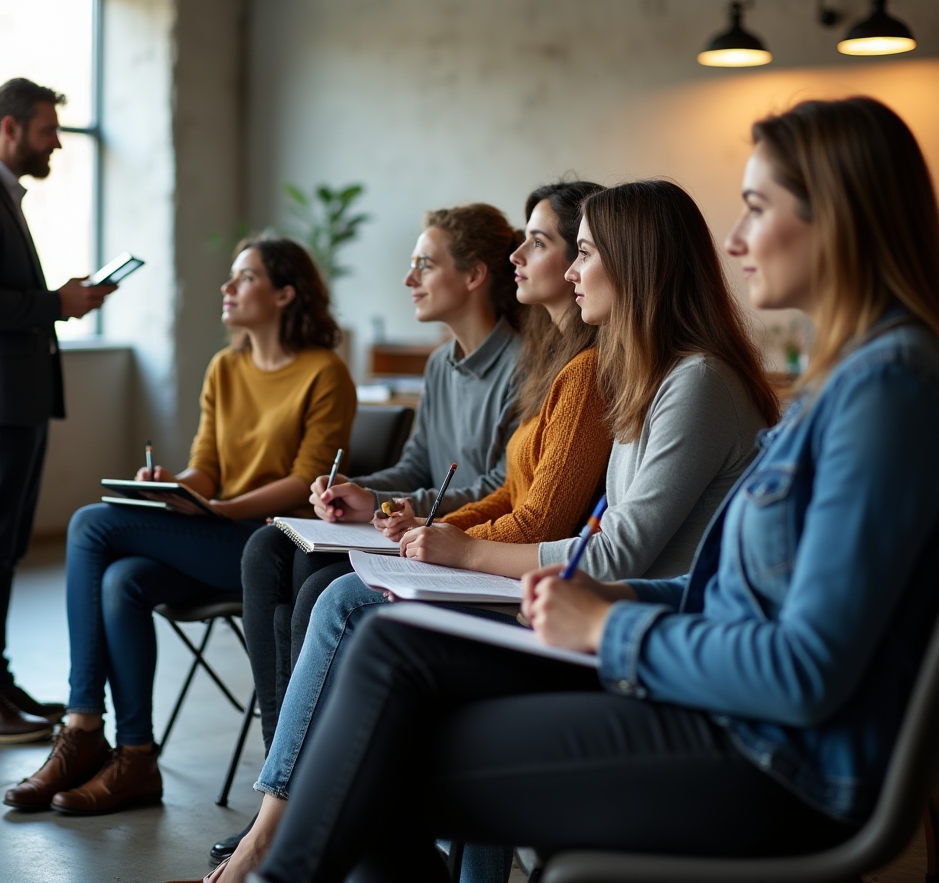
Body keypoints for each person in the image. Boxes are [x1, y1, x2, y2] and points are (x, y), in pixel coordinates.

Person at [246, 97, 939, 883]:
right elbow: (724, 595)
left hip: (768, 755)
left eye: (755, 207)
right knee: (386, 645)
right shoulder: (842, 385)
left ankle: (275, 866)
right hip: (714, 701)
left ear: (838, 218)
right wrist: (598, 605)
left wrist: (608, 628)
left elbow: (805, 668)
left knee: (375, 741)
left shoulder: (887, 394)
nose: (737, 239)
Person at [201, 176, 776, 882]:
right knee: (339, 602)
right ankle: (287, 842)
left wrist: (465, 549)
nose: (568, 272)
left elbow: (616, 551)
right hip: (603, 615)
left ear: (635, 265)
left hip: (631, 636)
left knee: (355, 610)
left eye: (582, 253)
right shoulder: (646, 379)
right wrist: (430, 533)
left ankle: (276, 849)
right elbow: (587, 524)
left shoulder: (696, 383)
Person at [209, 191, 579, 868]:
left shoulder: (532, 364)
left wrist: (406, 509)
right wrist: (360, 492)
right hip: (426, 525)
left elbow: (500, 488)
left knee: (326, 581)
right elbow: (416, 465)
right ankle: (288, 775)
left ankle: (307, 794)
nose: (408, 279)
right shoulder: (440, 365)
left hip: (464, 538)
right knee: (271, 548)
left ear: (472, 276)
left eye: (423, 264)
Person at [3, 236, 356, 815]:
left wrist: (216, 510)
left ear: (286, 294)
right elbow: (209, 467)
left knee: (91, 527)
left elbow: (304, 481)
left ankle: (84, 723)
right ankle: (137, 758)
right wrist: (174, 484)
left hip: (270, 547)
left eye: (244, 278)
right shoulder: (225, 367)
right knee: (122, 582)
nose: (227, 287)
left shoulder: (325, 372)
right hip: (215, 531)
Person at [0, 78, 115, 744]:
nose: (58, 143)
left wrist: (58, 301)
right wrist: (57, 303)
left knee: (3, 546)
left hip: (13, 397)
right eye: (47, 130)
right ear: (9, 129)